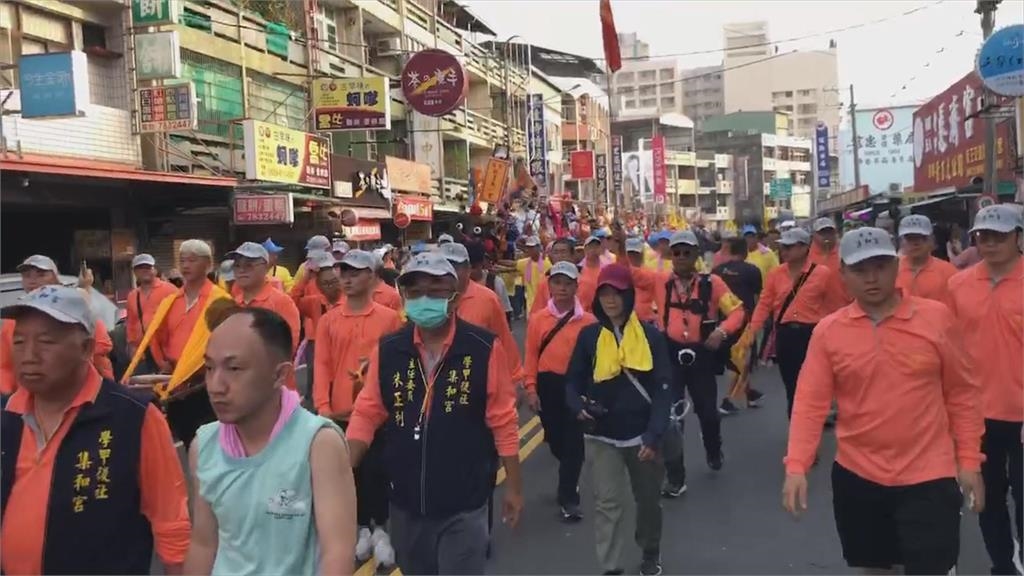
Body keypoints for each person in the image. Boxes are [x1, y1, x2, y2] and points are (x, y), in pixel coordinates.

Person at [783, 227, 985, 575]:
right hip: (859, 474)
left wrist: (969, 461)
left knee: (932, 568)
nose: (871, 279)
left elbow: (962, 393)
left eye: (880, 266)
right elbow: (809, 403)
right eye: (860, 270)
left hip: (929, 475)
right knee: (875, 568)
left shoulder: (935, 318)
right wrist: (796, 466)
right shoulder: (829, 331)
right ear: (843, 275)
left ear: (896, 266)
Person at [346, 252, 523, 575]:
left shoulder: (482, 348)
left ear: (454, 299)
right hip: (405, 502)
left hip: (464, 503)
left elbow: (503, 419)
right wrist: (343, 468)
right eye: (414, 292)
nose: (423, 299)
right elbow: (367, 411)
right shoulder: (389, 350)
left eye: (435, 291)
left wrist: (513, 486)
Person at [1, 286, 191, 574]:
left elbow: (171, 523)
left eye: (46, 342)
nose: (29, 356)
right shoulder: (6, 416)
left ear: (87, 349)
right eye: (19, 342)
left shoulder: (134, 418)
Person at [184, 305, 356, 575]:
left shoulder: (318, 444)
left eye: (234, 368)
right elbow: (204, 544)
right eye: (208, 368)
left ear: (279, 375)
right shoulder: (203, 445)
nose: (216, 385)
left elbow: (338, 552)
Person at [565, 264, 672, 576]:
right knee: (607, 504)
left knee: (649, 502)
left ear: (628, 295)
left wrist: (654, 435)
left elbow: (664, 388)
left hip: (642, 437)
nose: (610, 300)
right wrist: (576, 407)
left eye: (617, 293)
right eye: (604, 293)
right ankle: (610, 567)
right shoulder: (589, 336)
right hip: (602, 436)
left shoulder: (651, 337)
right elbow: (572, 381)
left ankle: (650, 551)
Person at [947, 204, 1023, 575]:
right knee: (986, 499)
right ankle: (1002, 567)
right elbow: (950, 349)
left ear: (1018, 238)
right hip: (977, 416)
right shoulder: (958, 286)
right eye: (983, 237)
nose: (990, 244)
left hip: (1022, 413)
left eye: (999, 236)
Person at [314, 249, 403, 566]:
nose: (347, 278)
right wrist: (322, 407)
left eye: (355, 272)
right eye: (344, 272)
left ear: (372, 275)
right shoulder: (328, 320)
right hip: (338, 413)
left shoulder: (389, 318)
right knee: (347, 476)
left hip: (378, 414)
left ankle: (382, 529)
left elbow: (396, 367)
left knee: (378, 471)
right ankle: (362, 528)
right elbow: (321, 365)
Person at [641, 230, 744, 495]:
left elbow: (737, 311)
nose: (682, 257)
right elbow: (626, 274)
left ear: (697, 254)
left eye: (688, 252)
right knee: (672, 418)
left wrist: (720, 333)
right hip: (670, 356)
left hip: (701, 357)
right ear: (670, 255)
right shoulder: (660, 281)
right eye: (677, 252)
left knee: (708, 413)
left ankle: (713, 448)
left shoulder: (713, 284)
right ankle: (676, 477)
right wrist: (617, 245)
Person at [123, 240, 232, 447]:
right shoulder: (171, 301)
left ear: (208, 265)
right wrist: (162, 362)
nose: (186, 265)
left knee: (213, 443)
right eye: (182, 260)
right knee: (187, 437)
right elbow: (156, 335)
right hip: (175, 383)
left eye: (192, 260)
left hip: (206, 383)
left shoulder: (220, 301)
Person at [523, 261, 596, 523]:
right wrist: (530, 389)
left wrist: (593, 392)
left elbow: (595, 360)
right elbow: (531, 355)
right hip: (548, 384)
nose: (562, 288)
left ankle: (569, 497)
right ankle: (569, 473)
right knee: (555, 439)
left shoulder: (589, 321)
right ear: (549, 285)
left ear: (577, 286)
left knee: (574, 443)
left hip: (576, 386)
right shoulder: (538, 319)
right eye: (557, 282)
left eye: (568, 283)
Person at [743, 228, 832, 418]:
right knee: (792, 386)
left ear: (804, 248)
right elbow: (765, 303)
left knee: (812, 385)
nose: (784, 251)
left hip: (812, 334)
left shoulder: (822, 273)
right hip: (785, 335)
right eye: (783, 247)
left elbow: (832, 304)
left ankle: (812, 422)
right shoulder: (776, 274)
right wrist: (752, 331)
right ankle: (797, 429)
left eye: (789, 247)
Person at [2, 255, 116, 394]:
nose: (33, 280)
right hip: (30, 401)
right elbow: (5, 366)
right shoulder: (12, 320)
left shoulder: (76, 309)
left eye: (41, 274)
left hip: (84, 395)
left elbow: (102, 346)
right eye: (27, 275)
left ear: (56, 278)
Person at [439, 243, 524, 387]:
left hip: (478, 382)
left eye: (455, 266)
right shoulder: (429, 300)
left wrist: (515, 378)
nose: (449, 272)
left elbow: (503, 339)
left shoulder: (487, 299)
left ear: (467, 269)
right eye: (444, 266)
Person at [227, 241, 302, 372]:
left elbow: (289, 346)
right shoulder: (233, 305)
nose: (241, 270)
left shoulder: (281, 302)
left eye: (248, 265)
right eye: (237, 265)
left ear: (265, 267)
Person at [712, 237, 764, 414]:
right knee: (742, 360)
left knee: (735, 359)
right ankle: (728, 400)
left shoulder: (717, 271)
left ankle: (750, 393)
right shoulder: (752, 271)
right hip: (745, 321)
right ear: (745, 251)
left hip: (724, 323)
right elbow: (758, 298)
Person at [125, 253, 178, 374]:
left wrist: (173, 353)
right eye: (140, 268)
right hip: (143, 353)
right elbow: (131, 324)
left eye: (148, 267)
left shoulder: (170, 290)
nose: (145, 271)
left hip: (166, 352)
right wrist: (132, 346)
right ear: (134, 272)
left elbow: (180, 322)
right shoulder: (132, 296)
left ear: (154, 269)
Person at [895, 214, 957, 306]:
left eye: (922, 238)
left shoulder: (948, 271)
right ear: (901, 242)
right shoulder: (892, 271)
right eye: (910, 238)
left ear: (931, 240)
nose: (916, 243)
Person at [810, 217, 852, 312]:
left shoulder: (846, 253)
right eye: (822, 233)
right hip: (814, 316)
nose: (826, 236)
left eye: (830, 232)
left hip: (844, 311)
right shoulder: (805, 256)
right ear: (813, 235)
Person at [529, 238, 577, 314]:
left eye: (563, 252)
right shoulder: (545, 282)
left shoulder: (582, 278)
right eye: (556, 252)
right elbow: (536, 310)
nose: (560, 256)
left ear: (573, 255)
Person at [624, 237, 658, 322]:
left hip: (645, 319)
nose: (633, 256)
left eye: (636, 253)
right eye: (630, 253)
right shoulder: (619, 271)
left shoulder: (650, 274)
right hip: (625, 319)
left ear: (642, 254)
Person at [514, 235, 551, 312]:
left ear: (538, 247)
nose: (530, 250)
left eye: (532, 247)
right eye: (528, 247)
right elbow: (513, 265)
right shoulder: (526, 263)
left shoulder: (548, 262)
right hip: (531, 305)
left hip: (546, 305)